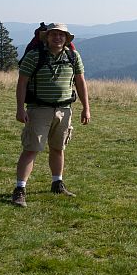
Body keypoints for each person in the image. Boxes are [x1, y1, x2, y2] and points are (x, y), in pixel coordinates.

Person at [13, 23, 90, 207]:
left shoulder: (73, 56)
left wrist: (86, 107)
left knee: (58, 148)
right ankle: (19, 190)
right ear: (46, 37)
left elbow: (80, 82)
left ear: (66, 38)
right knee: (31, 149)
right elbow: (22, 83)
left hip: (64, 110)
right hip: (38, 109)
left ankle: (57, 183)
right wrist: (20, 109)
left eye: (61, 35)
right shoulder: (34, 56)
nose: (58, 38)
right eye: (54, 35)